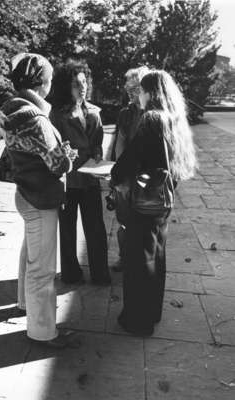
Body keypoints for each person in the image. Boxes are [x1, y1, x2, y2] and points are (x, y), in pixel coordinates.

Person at [0, 53, 78, 348]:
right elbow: (56, 165)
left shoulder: (12, 109)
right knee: (42, 269)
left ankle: (23, 304)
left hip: (26, 192)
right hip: (41, 197)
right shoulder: (37, 118)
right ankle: (42, 332)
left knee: (29, 255)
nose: (51, 84)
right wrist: (68, 156)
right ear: (40, 82)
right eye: (49, 79)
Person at [110, 70, 197, 336]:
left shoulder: (151, 119)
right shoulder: (175, 119)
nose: (139, 94)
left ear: (152, 92)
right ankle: (152, 312)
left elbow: (132, 159)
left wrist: (114, 174)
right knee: (156, 256)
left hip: (144, 201)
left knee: (139, 260)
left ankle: (138, 321)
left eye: (142, 90)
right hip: (163, 199)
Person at [50, 59, 111, 285]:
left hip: (90, 178)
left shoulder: (94, 112)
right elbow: (54, 145)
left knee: (95, 227)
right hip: (67, 179)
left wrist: (97, 153)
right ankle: (70, 274)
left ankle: (100, 273)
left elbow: (97, 143)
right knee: (67, 230)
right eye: (76, 83)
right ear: (67, 86)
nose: (82, 87)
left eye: (84, 82)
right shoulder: (57, 114)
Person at [112, 66, 149, 272]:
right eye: (129, 90)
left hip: (146, 176)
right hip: (127, 174)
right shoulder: (126, 114)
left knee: (144, 220)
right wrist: (120, 176)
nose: (132, 94)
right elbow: (120, 143)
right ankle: (124, 257)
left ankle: (142, 258)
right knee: (124, 219)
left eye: (136, 89)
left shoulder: (153, 114)